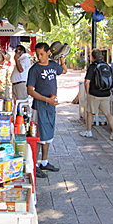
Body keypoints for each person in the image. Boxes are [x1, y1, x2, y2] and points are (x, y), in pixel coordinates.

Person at [27, 42, 67, 178]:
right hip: (40, 106)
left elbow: (64, 70)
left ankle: (44, 162)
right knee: (38, 136)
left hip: (51, 105)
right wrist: (46, 99)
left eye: (42, 54)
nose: (39, 57)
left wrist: (62, 56)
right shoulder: (34, 69)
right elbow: (30, 91)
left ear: (48, 52)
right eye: (37, 54)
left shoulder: (53, 65)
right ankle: (35, 164)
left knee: (48, 134)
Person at [81, 49, 113, 140]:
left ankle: (89, 131)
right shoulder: (107, 66)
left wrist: (87, 92)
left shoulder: (92, 67)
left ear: (92, 57)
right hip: (106, 93)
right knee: (108, 113)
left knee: (90, 112)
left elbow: (87, 81)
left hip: (94, 94)